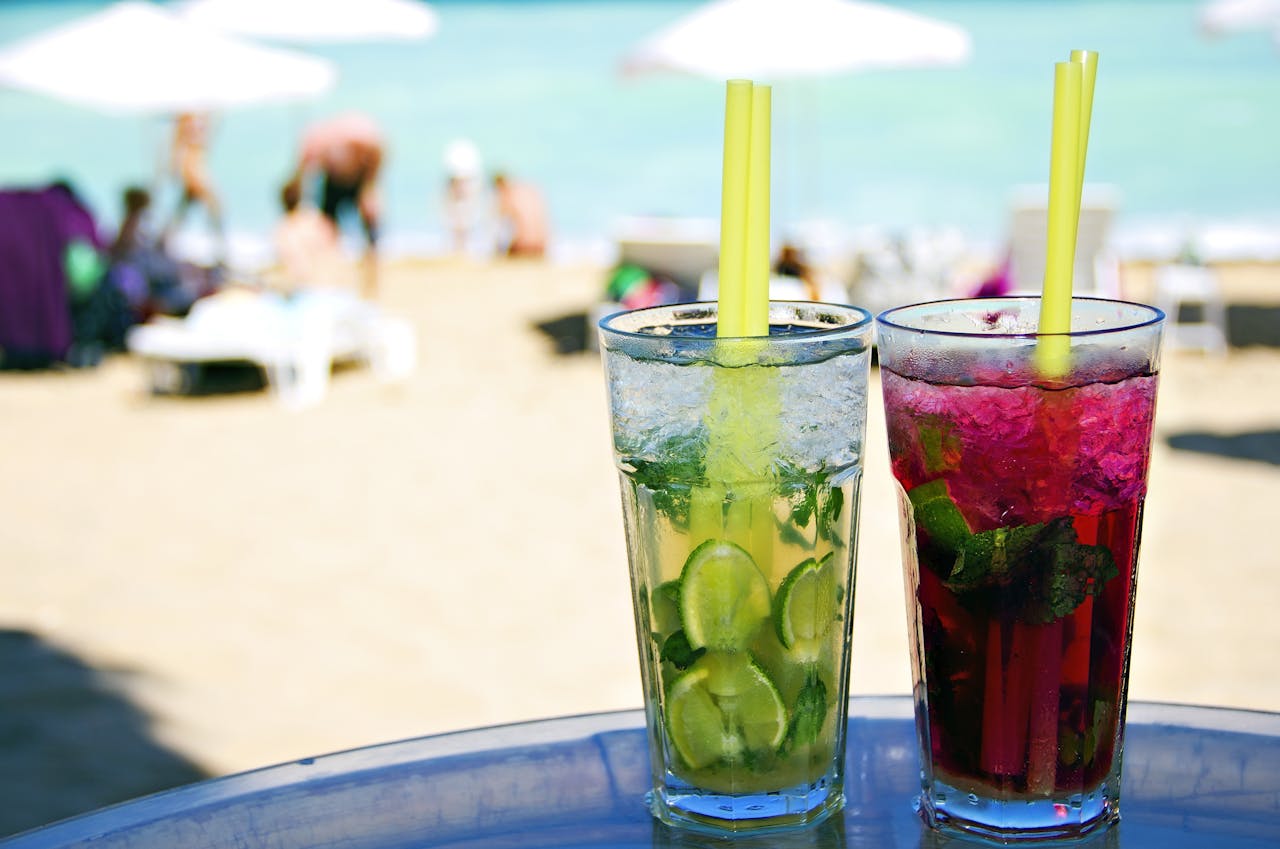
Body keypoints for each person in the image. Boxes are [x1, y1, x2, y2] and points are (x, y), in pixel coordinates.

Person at [284, 112, 384, 299]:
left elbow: (302, 176)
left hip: (342, 177)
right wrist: (370, 185)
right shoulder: (348, 133)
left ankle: (334, 281)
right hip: (353, 174)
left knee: (329, 233)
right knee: (367, 237)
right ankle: (365, 285)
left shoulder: (314, 139)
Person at [165, 112, 225, 262]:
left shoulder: (195, 118)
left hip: (195, 170)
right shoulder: (185, 118)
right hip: (194, 172)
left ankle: (166, 246)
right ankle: (219, 254)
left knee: (182, 214)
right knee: (212, 211)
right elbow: (176, 145)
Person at [273, 180, 342, 292]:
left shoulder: (282, 229)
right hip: (326, 284)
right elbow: (334, 240)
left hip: (301, 286)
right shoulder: (313, 220)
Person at [441, 138, 485, 258]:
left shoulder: (459, 179)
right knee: (460, 225)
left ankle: (460, 249)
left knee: (462, 225)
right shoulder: (466, 178)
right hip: (461, 203)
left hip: (462, 203)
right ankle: (460, 249)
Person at [492, 172, 549, 259]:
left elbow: (500, 229)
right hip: (541, 246)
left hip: (521, 247)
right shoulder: (531, 191)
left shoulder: (506, 195)